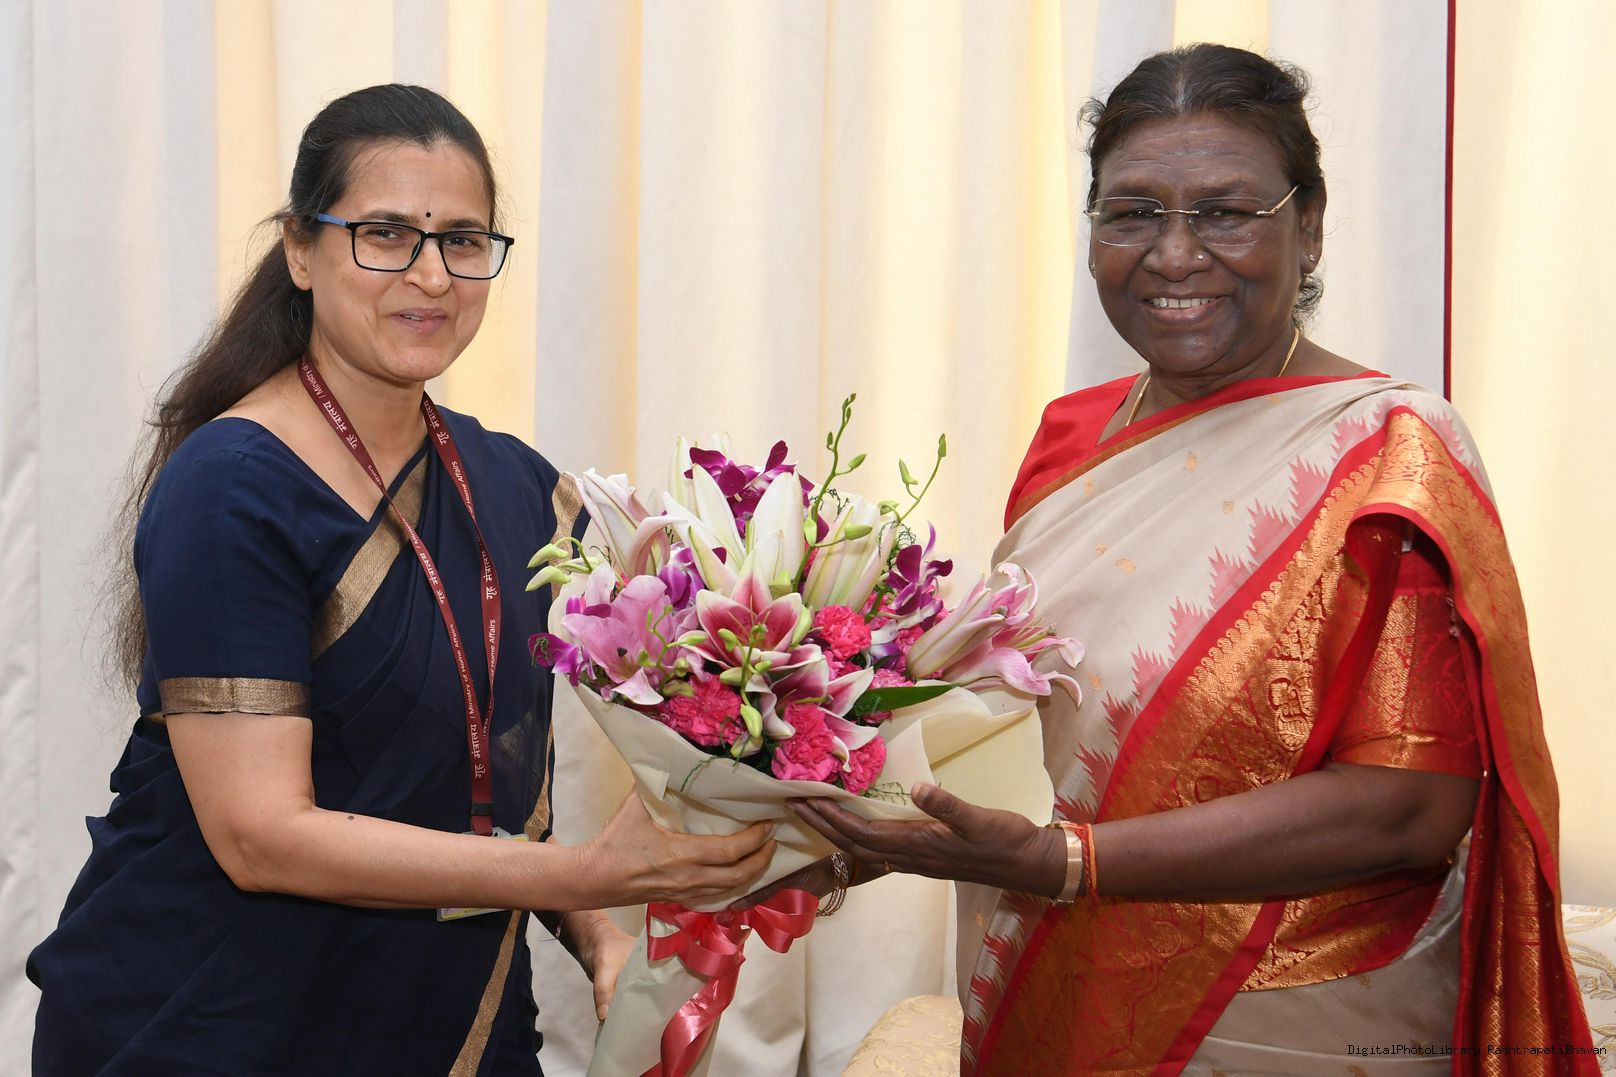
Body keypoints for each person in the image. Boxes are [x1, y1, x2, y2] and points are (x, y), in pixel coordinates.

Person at [791, 45, 1598, 1074]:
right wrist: (854, 815)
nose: (1174, 256)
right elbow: (1030, 727)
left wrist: (1065, 861)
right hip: (1055, 981)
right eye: (1132, 213)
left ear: (1308, 226)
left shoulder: (1387, 455)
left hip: (1292, 1017)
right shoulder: (1071, 439)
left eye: (1225, 212)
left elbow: (1411, 809)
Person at [27, 84, 773, 1076]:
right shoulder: (233, 486)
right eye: (385, 234)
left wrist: (601, 930)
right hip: (216, 1019)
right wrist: (586, 875)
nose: (431, 275)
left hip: (450, 1017)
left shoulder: (516, 488)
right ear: (301, 250)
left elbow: (486, 783)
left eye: (462, 240)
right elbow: (259, 837)